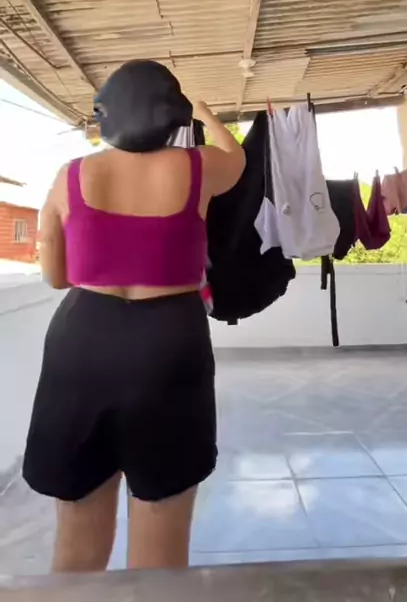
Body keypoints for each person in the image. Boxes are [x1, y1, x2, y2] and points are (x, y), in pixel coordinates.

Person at [22, 60, 245, 573]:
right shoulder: (199, 167)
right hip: (170, 341)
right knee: (161, 552)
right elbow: (237, 157)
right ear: (172, 113)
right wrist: (206, 112)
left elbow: (56, 277)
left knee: (76, 547)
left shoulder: (70, 176)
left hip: (83, 341)